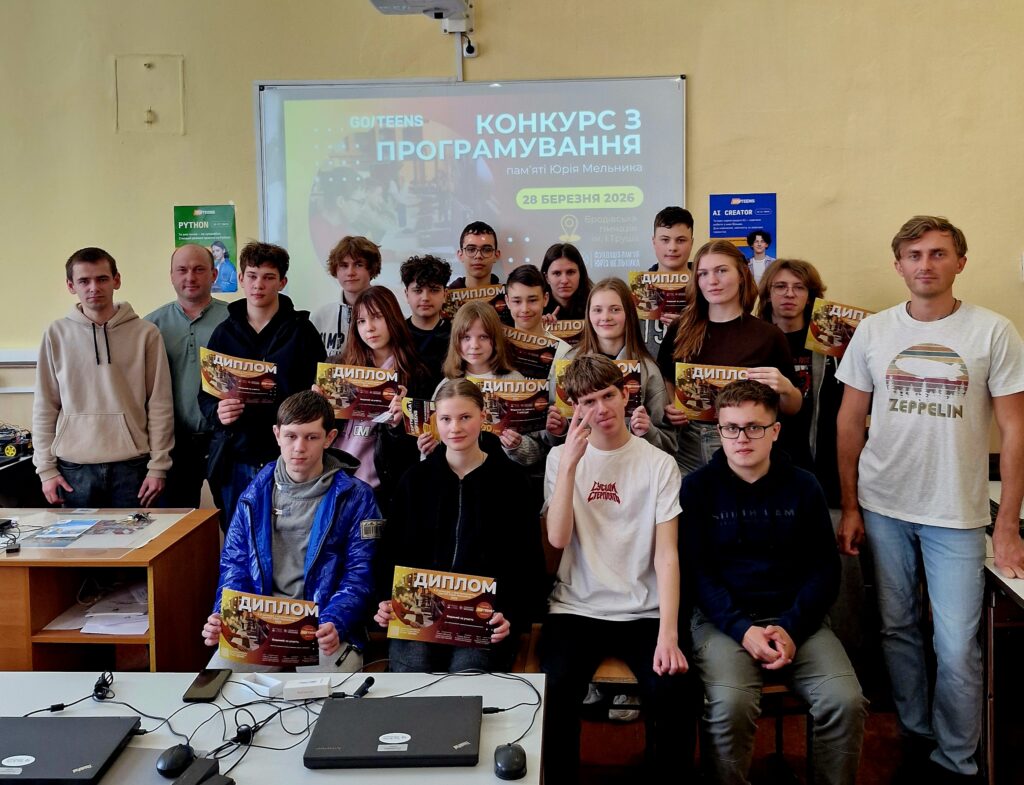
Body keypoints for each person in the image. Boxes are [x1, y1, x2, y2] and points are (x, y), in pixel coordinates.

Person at [836, 215, 1024, 781]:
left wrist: (1008, 527)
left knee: (957, 642)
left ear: (960, 262)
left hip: (957, 512)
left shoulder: (993, 332)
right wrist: (851, 506)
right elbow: (849, 422)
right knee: (896, 628)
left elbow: (1015, 430)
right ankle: (916, 734)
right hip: (883, 505)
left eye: (938, 253)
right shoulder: (874, 332)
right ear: (898, 265)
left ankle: (956, 759)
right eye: (914, 255)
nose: (926, 265)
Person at [683, 379, 866, 785]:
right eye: (731, 427)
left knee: (845, 701)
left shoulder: (804, 486)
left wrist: (791, 628)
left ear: (775, 430)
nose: (741, 438)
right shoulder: (697, 489)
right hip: (722, 623)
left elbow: (825, 570)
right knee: (729, 705)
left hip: (798, 620)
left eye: (754, 427)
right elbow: (698, 575)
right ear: (719, 429)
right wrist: (741, 629)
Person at [541, 353, 694, 784]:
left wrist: (669, 634)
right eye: (588, 402)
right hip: (576, 606)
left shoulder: (658, 463)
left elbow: (667, 555)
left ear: (626, 394)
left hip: (643, 609)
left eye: (608, 396)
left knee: (674, 691)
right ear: (575, 408)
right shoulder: (560, 459)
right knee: (557, 689)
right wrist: (569, 466)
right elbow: (557, 539)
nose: (601, 409)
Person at [373, 379, 546, 672]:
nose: (455, 428)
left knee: (469, 673)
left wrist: (511, 616)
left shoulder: (511, 482)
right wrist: (384, 601)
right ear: (435, 422)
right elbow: (390, 552)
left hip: (483, 616)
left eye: (465, 417)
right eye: (446, 419)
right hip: (418, 612)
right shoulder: (415, 480)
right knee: (412, 670)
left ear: (483, 417)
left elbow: (527, 562)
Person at [201, 391, 380, 672]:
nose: (299, 447)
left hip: (321, 625)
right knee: (217, 685)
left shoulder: (357, 497)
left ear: (329, 438)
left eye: (311, 437)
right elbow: (235, 565)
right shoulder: (253, 494)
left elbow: (359, 574)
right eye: (291, 436)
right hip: (260, 623)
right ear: (277, 434)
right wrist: (223, 615)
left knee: (323, 691)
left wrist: (335, 620)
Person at [33, 247, 173, 508]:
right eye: (84, 281)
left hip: (132, 466)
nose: (93, 288)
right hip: (74, 468)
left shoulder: (146, 333)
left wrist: (158, 467)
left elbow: (159, 403)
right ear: (71, 286)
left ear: (116, 280)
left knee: (138, 536)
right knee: (80, 538)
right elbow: (45, 405)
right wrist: (46, 470)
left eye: (102, 279)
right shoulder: (56, 334)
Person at [199, 241, 325, 530]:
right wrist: (218, 412)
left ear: (282, 282)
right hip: (236, 458)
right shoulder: (224, 333)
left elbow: (319, 394)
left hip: (288, 459)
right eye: (252, 276)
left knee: (289, 539)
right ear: (241, 278)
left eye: (269, 277)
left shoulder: (302, 331)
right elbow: (205, 395)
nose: (259, 285)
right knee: (239, 539)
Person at [658, 240, 800, 474]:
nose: (712, 281)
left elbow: (793, 407)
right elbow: (665, 375)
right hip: (686, 444)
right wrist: (671, 404)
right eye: (703, 273)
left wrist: (785, 387)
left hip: (744, 445)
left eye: (721, 271)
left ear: (742, 275)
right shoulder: (680, 328)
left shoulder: (769, 335)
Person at [331, 285, 432, 517]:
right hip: (335, 482)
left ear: (393, 318)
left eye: (377, 317)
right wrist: (319, 407)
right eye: (361, 321)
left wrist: (398, 424)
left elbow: (418, 450)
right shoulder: (339, 366)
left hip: (382, 490)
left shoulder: (416, 375)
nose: (369, 328)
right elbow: (323, 432)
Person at [547, 277, 676, 456]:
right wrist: (559, 430)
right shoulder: (567, 364)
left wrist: (648, 431)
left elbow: (669, 444)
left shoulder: (648, 370)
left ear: (628, 313)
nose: (605, 317)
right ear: (588, 315)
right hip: (582, 464)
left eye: (615, 309)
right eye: (597, 310)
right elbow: (553, 439)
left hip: (631, 463)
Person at [145, 244, 229, 507]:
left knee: (236, 518)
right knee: (176, 522)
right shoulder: (150, 327)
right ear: (171, 275)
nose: (190, 277)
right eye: (182, 270)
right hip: (173, 443)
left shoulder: (236, 320)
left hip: (224, 438)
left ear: (214, 275)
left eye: (199, 269)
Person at [417, 301, 524, 458]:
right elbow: (433, 444)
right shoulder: (447, 385)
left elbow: (536, 448)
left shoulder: (515, 381)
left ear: (495, 340)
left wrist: (517, 446)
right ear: (456, 340)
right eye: (466, 337)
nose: (474, 345)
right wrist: (428, 450)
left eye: (483, 337)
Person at [756, 259, 830, 472]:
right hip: (764, 450)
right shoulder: (752, 339)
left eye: (799, 287)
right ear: (768, 294)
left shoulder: (827, 342)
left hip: (818, 451)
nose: (790, 294)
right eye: (780, 286)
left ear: (810, 297)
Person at [310, 235, 381, 356]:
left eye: (358, 265)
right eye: (344, 265)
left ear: (371, 268)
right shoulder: (319, 317)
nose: (350, 273)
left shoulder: (389, 314)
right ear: (335, 270)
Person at [644, 206, 696, 358]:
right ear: (654, 242)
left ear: (691, 243)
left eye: (681, 240)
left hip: (691, 368)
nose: (672, 247)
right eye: (665, 240)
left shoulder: (707, 287)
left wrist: (690, 325)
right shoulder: (639, 288)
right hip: (648, 370)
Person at [400, 254, 452, 382]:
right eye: (418, 290)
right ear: (407, 294)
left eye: (434, 290)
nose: (425, 298)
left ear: (445, 294)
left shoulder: (457, 335)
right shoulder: (396, 334)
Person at [541, 242, 592, 322]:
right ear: (546, 278)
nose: (564, 280)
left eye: (570, 272)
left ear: (580, 274)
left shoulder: (595, 305)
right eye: (557, 273)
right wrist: (538, 326)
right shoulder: (537, 310)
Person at [449, 221, 502, 289]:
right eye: (471, 249)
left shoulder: (509, 294)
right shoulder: (444, 295)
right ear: (460, 255)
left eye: (486, 250)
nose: (478, 256)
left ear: (496, 255)